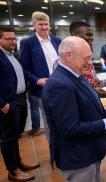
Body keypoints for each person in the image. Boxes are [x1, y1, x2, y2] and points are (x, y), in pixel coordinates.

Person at [42, 36, 106, 182]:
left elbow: (87, 105)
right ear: (68, 56)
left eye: (91, 58)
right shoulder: (60, 84)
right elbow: (69, 129)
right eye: (86, 58)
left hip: (88, 153)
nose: (90, 63)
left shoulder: (76, 74)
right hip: (78, 157)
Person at [0, 26, 40, 182]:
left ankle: (19, 164)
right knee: (8, 138)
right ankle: (13, 171)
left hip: (21, 99)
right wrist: (2, 104)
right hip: (8, 103)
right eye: (8, 39)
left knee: (16, 135)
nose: (12, 41)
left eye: (14, 38)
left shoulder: (14, 55)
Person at [19, 11, 61, 142]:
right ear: (34, 26)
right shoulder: (27, 43)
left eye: (46, 24)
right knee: (49, 121)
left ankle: (65, 147)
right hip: (42, 89)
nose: (44, 27)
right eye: (40, 24)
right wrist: (37, 80)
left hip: (61, 86)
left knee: (63, 117)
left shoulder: (57, 40)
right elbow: (23, 68)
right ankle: (54, 150)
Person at [69, 21, 106, 97]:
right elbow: (68, 90)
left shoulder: (88, 61)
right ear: (75, 36)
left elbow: (96, 83)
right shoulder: (65, 62)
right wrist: (92, 91)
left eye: (92, 35)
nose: (92, 38)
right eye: (88, 35)